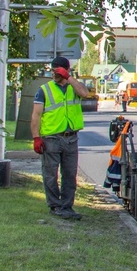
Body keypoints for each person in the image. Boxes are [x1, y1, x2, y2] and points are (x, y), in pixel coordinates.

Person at [30, 56, 90, 220]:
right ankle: (55, 206)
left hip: (71, 137)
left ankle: (67, 206)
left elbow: (85, 93)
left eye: (58, 70)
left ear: (66, 71)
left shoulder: (73, 87)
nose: (55, 73)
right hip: (51, 138)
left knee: (70, 174)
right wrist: (36, 138)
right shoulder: (44, 90)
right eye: (53, 70)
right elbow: (36, 115)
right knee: (50, 174)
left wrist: (69, 78)